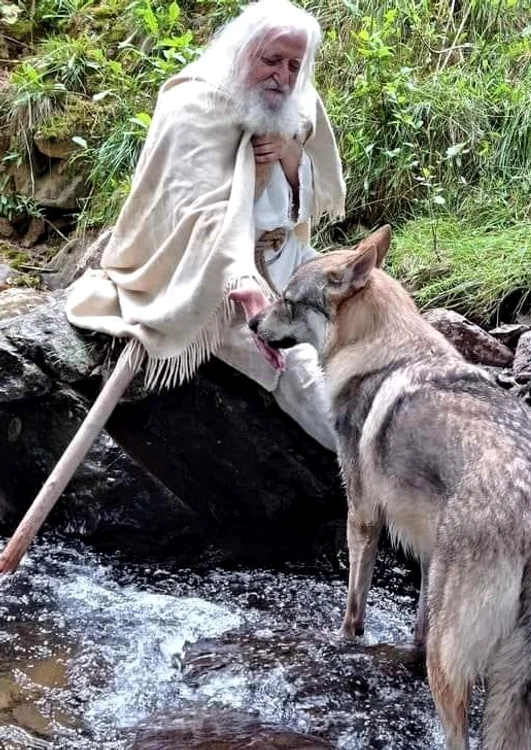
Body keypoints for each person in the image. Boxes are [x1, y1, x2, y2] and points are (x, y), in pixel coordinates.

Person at [66, 0, 346, 451]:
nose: (283, 76)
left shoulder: (297, 103)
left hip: (289, 260)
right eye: (271, 60)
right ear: (242, 51)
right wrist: (251, 185)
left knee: (367, 321)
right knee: (301, 370)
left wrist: (288, 154)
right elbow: (189, 218)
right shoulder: (193, 103)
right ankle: (378, 478)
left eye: (295, 64)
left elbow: (302, 206)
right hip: (211, 282)